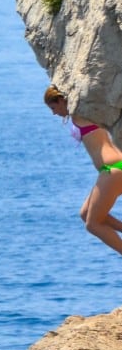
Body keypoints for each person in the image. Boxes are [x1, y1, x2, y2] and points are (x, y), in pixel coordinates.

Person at [44, 85, 122, 255]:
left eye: (53, 107)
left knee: (93, 224)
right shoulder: (82, 114)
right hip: (114, 168)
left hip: (113, 169)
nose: (54, 113)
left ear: (61, 100)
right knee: (85, 213)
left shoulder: (80, 114)